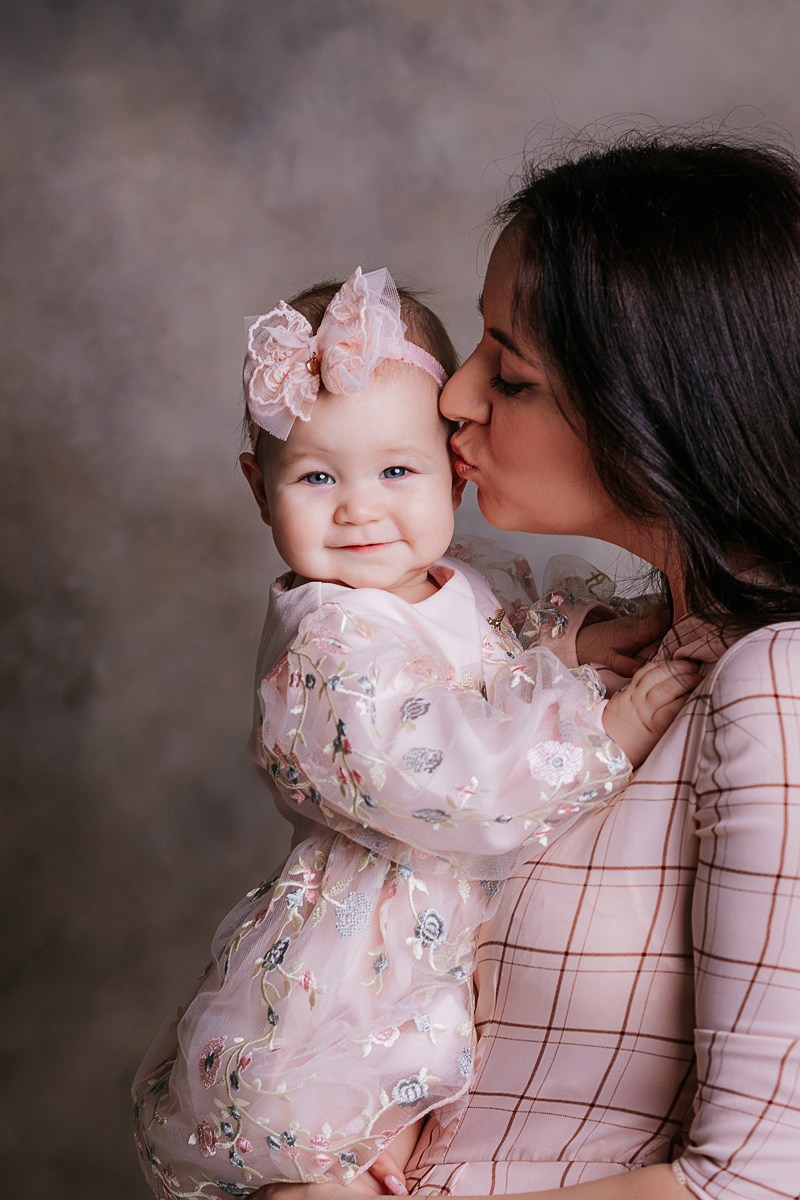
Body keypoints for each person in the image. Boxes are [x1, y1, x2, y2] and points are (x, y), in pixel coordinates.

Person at [253, 135, 800, 1200]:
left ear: (662, 408)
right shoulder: (580, 660)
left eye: (508, 373)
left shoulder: (771, 686)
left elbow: (753, 1182)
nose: (451, 397)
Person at [131, 266, 695, 1200]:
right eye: (317, 476)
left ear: (453, 473)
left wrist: (581, 643)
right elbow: (431, 774)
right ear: (256, 487)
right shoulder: (324, 639)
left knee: (414, 1135)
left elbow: (500, 652)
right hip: (364, 950)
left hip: (455, 940)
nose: (359, 508)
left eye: (396, 470)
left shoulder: (456, 581)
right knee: (314, 1158)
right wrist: (613, 724)